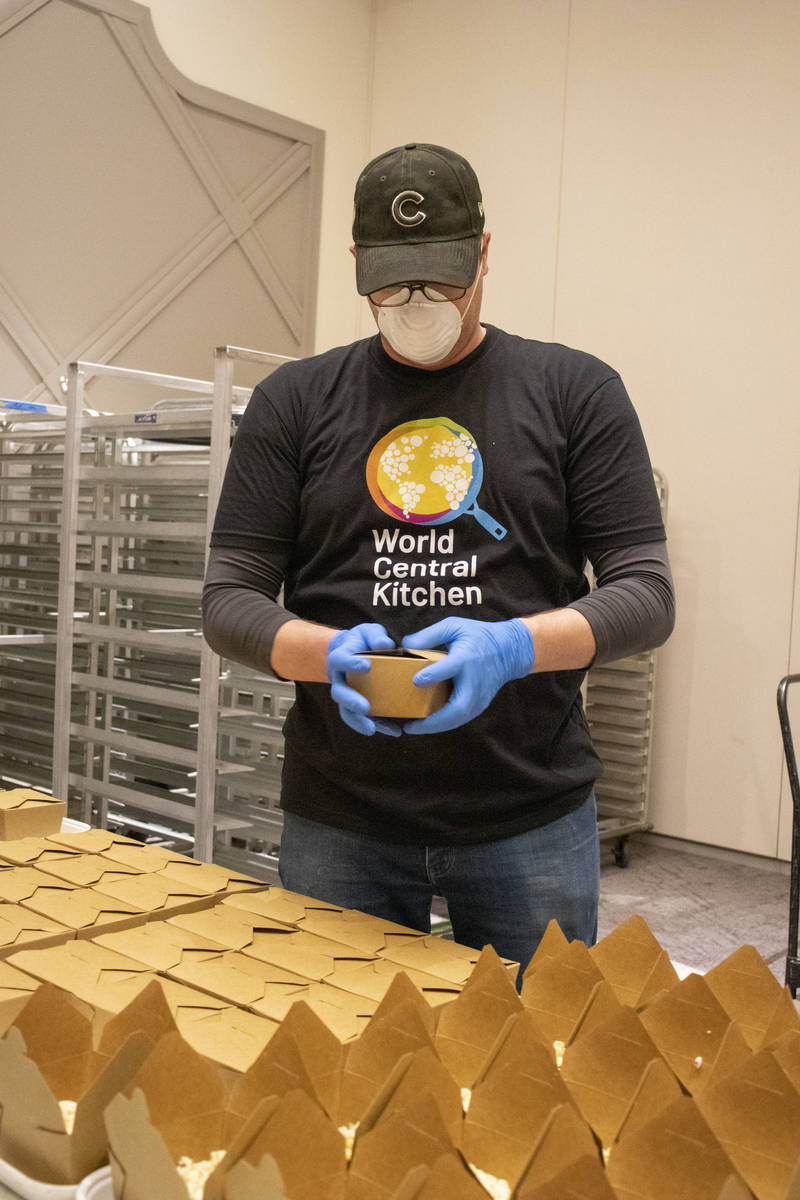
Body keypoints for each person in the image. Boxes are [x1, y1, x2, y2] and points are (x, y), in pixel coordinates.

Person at [202, 142, 675, 979]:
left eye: (443, 277)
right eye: (391, 282)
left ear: (485, 251)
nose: (418, 303)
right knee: (341, 1066)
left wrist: (515, 647)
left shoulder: (575, 392)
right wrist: (323, 657)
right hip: (340, 817)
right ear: (355, 264)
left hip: (527, 813)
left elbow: (645, 595)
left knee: (536, 1065)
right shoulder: (295, 403)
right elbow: (229, 599)